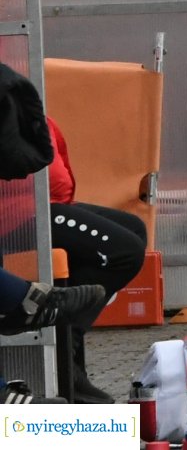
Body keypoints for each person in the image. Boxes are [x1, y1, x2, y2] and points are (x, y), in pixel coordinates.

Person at [40, 118, 147, 402]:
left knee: (134, 228)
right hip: (23, 210)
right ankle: (65, 351)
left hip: (48, 202)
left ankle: (69, 356)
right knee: (123, 252)